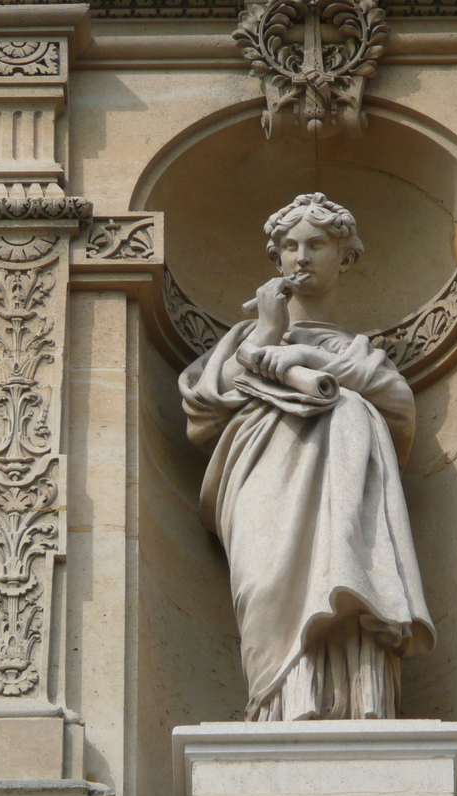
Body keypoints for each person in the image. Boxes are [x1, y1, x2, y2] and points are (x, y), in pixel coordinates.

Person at [179, 192, 434, 721]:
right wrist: (269, 334)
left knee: (345, 572)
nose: (302, 257)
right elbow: (205, 411)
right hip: (260, 481)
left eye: (316, 244)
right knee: (265, 585)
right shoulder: (238, 344)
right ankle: (276, 706)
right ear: (275, 261)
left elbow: (399, 408)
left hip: (342, 492)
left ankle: (352, 703)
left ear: (345, 256)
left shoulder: (358, 354)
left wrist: (312, 359)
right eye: (290, 247)